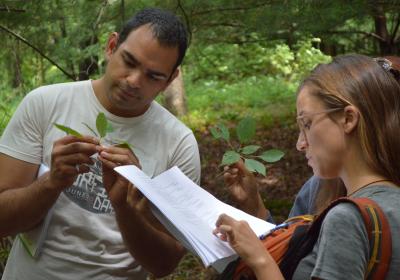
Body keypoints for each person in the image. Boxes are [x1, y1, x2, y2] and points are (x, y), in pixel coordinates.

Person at [0, 7, 200, 280]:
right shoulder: (45, 104)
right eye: (129, 61)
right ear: (111, 46)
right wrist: (52, 182)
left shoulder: (179, 144)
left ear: (171, 79)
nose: (134, 81)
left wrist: (125, 208)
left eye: (153, 76)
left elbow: (164, 264)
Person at [214, 54, 400, 279]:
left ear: (348, 119)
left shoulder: (346, 218)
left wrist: (260, 259)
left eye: (307, 124)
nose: (300, 144)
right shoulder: (389, 202)